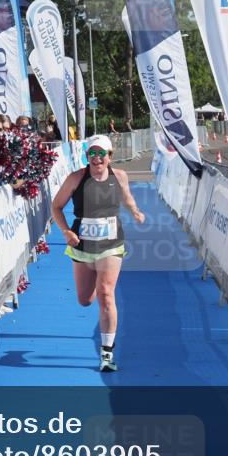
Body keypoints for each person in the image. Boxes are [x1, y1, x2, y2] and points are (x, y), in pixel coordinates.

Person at [50, 134, 145, 373]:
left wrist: (135, 212)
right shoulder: (75, 178)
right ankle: (94, 292)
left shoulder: (119, 176)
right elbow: (56, 206)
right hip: (81, 244)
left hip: (111, 243)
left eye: (101, 153)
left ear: (110, 156)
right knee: (85, 300)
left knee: (106, 294)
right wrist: (65, 232)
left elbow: (127, 198)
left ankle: (106, 353)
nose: (96, 158)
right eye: (92, 153)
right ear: (87, 157)